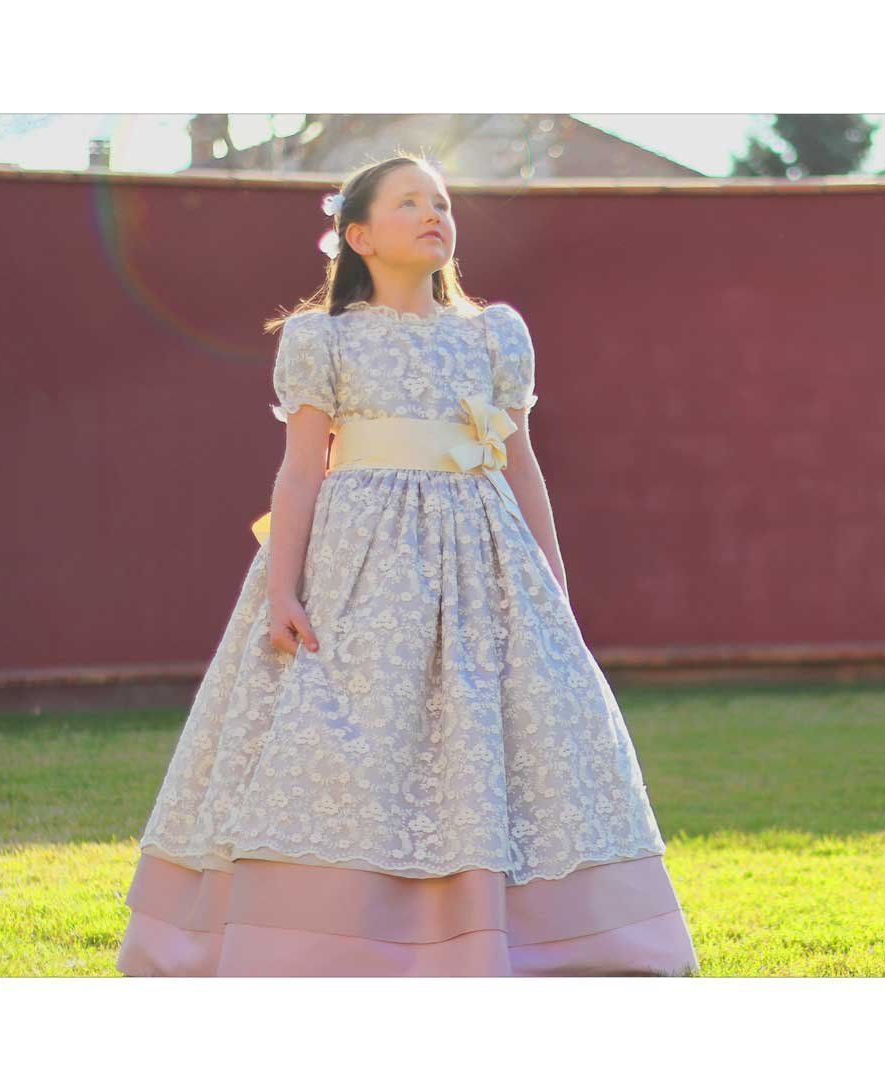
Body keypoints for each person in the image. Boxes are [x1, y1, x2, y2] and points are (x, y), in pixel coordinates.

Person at [113, 155, 699, 977]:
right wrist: (283, 587)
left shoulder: (494, 333)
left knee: (494, 743)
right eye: (410, 203)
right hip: (359, 569)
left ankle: (545, 937)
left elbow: (520, 463)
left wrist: (551, 586)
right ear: (357, 236)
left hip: (482, 560)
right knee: (348, 741)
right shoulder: (324, 338)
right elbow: (299, 469)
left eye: (444, 203)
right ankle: (329, 935)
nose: (435, 214)